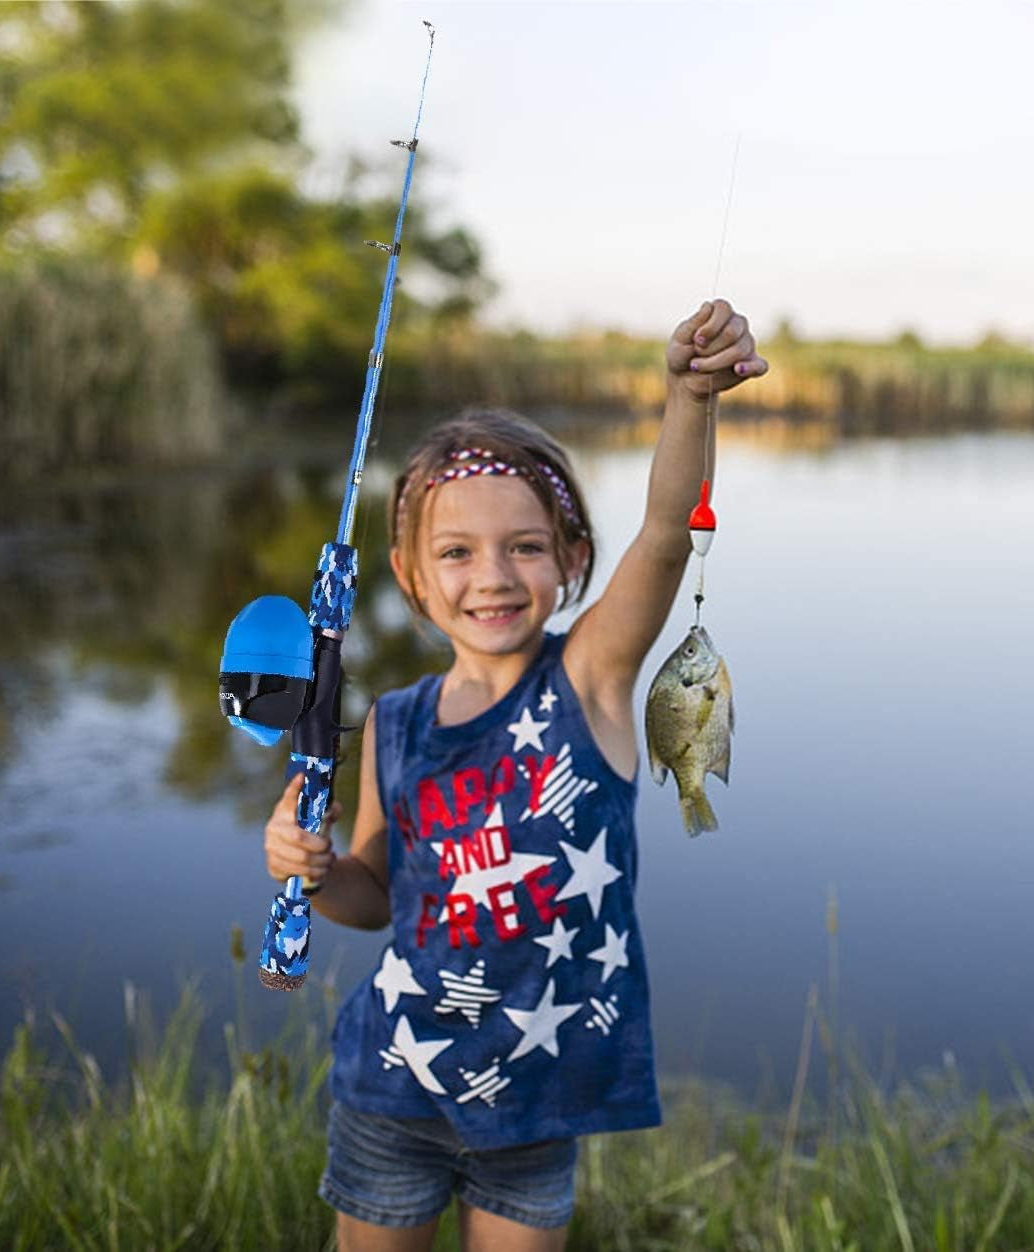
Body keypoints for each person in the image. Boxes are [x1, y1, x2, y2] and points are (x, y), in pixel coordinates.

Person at [263, 298, 767, 1252]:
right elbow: (375, 897)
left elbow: (666, 531)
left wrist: (689, 396)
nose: (490, 575)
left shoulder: (594, 683)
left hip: (539, 1097)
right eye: (455, 552)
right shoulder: (398, 724)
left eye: (525, 546)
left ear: (572, 559)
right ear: (411, 579)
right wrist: (315, 870)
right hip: (394, 1084)